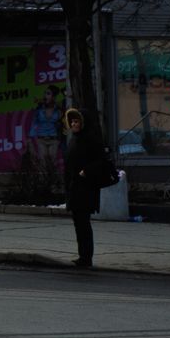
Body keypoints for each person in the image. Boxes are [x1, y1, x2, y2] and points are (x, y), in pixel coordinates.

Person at [63, 108, 114, 269]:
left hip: (86, 188)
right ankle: (82, 256)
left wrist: (87, 171)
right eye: (72, 121)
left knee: (83, 223)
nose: (73, 124)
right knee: (79, 223)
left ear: (83, 123)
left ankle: (86, 257)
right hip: (75, 187)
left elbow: (102, 162)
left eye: (77, 121)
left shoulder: (90, 139)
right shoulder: (74, 139)